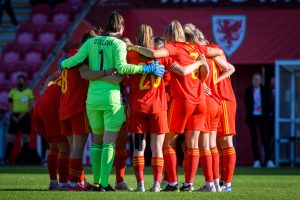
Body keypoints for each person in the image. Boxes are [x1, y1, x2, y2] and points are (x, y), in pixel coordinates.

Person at [60, 11, 165, 192]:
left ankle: (97, 183)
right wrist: (147, 68)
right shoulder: (118, 44)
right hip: (111, 99)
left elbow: (71, 62)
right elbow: (122, 68)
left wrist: (65, 65)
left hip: (92, 99)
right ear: (121, 28)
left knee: (96, 142)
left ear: (107, 26)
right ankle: (103, 183)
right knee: (109, 142)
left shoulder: (91, 42)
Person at [128, 20, 223, 192]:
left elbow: (155, 55)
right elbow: (217, 51)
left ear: (170, 36)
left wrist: (133, 47)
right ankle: (190, 184)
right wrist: (202, 62)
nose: (165, 41)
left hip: (182, 100)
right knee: (192, 144)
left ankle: (171, 182)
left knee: (167, 144)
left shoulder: (173, 48)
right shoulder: (195, 47)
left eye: (166, 38)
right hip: (200, 101)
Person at [183, 23, 235, 192]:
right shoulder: (210, 51)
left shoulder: (201, 53)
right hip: (216, 101)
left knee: (210, 144)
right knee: (213, 144)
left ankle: (215, 183)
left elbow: (229, 68)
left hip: (213, 99)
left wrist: (208, 84)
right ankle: (218, 183)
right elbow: (228, 67)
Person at [33, 74, 69, 190]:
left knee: (53, 147)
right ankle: (64, 183)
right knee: (66, 148)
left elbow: (49, 78)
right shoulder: (81, 70)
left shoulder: (64, 69)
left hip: (39, 105)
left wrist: (45, 93)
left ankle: (53, 182)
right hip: (51, 107)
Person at [244, 74, 275, 168]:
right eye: (254, 80)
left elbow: (269, 102)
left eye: (258, 80)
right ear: (252, 81)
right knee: (254, 139)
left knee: (265, 139)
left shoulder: (265, 89)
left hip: (263, 117)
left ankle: (268, 160)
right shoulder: (248, 90)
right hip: (252, 117)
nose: (256, 81)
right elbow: (246, 103)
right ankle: (256, 160)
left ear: (261, 81)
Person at [4, 75, 34, 165]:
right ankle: (5, 159)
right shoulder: (13, 92)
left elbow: (31, 105)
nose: (19, 82)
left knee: (25, 138)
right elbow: (10, 104)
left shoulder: (29, 92)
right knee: (10, 138)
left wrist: (23, 115)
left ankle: (24, 160)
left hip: (24, 116)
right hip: (14, 116)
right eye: (18, 81)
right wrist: (12, 115)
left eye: (21, 80)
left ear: (24, 81)